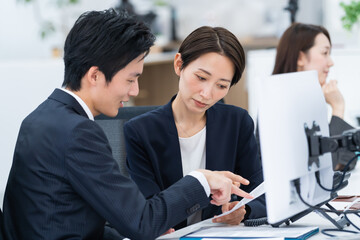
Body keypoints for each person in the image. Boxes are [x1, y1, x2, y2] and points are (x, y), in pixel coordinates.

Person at [2, 9, 253, 240]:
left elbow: (67, 221)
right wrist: (202, 180)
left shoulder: (40, 118)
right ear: (95, 75)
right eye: (131, 79)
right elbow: (140, 222)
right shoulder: (79, 132)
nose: (134, 91)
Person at [124, 26, 266, 231]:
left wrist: (244, 210)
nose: (207, 93)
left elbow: (260, 192)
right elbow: (145, 209)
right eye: (201, 77)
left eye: (221, 85)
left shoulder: (237, 122)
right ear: (179, 64)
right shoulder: (140, 132)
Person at [268, 22, 356, 171]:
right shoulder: (280, 105)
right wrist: (338, 108)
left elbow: (348, 161)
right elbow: (327, 166)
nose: (331, 62)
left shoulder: (309, 100)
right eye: (324, 53)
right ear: (300, 57)